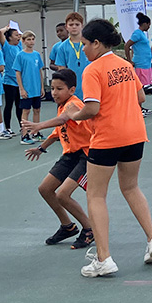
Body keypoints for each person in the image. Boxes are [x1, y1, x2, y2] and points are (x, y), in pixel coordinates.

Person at [41, 18, 152, 279]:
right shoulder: (125, 65)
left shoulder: (93, 70)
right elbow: (140, 97)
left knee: (96, 195)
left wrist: (74, 114)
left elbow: (92, 108)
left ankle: (103, 257)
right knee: (131, 187)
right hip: (135, 134)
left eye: (85, 43)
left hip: (107, 138)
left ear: (96, 43)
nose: (83, 48)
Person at [22, 68, 94, 250]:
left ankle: (89, 229)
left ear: (71, 90)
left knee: (62, 194)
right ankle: (67, 226)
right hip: (70, 154)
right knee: (45, 189)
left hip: (87, 155)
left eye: (59, 88)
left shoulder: (73, 104)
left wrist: (39, 125)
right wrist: (41, 148)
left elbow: (62, 120)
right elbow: (57, 132)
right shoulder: (62, 104)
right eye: (52, 88)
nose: (54, 93)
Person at [49, 13, 91, 98]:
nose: (74, 27)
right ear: (66, 27)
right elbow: (62, 70)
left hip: (89, 86)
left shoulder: (89, 44)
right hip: (72, 90)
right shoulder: (62, 47)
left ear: (82, 26)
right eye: (71, 25)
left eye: (77, 24)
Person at [15, 30, 45, 145]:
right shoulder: (20, 55)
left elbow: (39, 71)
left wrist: (42, 87)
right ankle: (24, 134)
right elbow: (18, 73)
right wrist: (21, 89)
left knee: (37, 110)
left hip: (36, 88)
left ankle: (36, 132)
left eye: (32, 39)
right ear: (23, 41)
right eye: (28, 39)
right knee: (26, 111)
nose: (31, 42)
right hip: (27, 89)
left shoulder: (37, 54)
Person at [0, 27, 23, 137]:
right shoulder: (6, 46)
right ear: (9, 37)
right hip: (9, 80)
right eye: (15, 35)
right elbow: (0, 32)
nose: (18, 36)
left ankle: (22, 127)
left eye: (18, 35)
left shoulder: (19, 46)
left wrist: (18, 33)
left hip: (19, 80)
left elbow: (22, 37)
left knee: (20, 105)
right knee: (9, 105)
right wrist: (8, 28)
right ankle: (7, 128)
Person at [125, 13, 152, 100]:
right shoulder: (137, 33)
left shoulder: (141, 34)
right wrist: (129, 60)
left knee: (145, 87)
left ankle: (141, 106)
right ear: (145, 24)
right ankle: (139, 107)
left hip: (146, 63)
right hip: (141, 64)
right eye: (149, 25)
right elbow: (127, 46)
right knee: (140, 87)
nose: (149, 27)